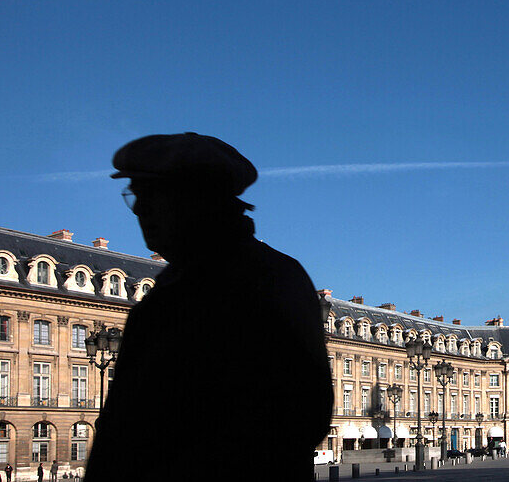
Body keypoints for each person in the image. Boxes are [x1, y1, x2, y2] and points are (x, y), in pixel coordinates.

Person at [84, 133, 332, 481]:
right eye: (135, 195)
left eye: (151, 194)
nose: (139, 209)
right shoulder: (273, 273)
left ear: (197, 199)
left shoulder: (219, 284)